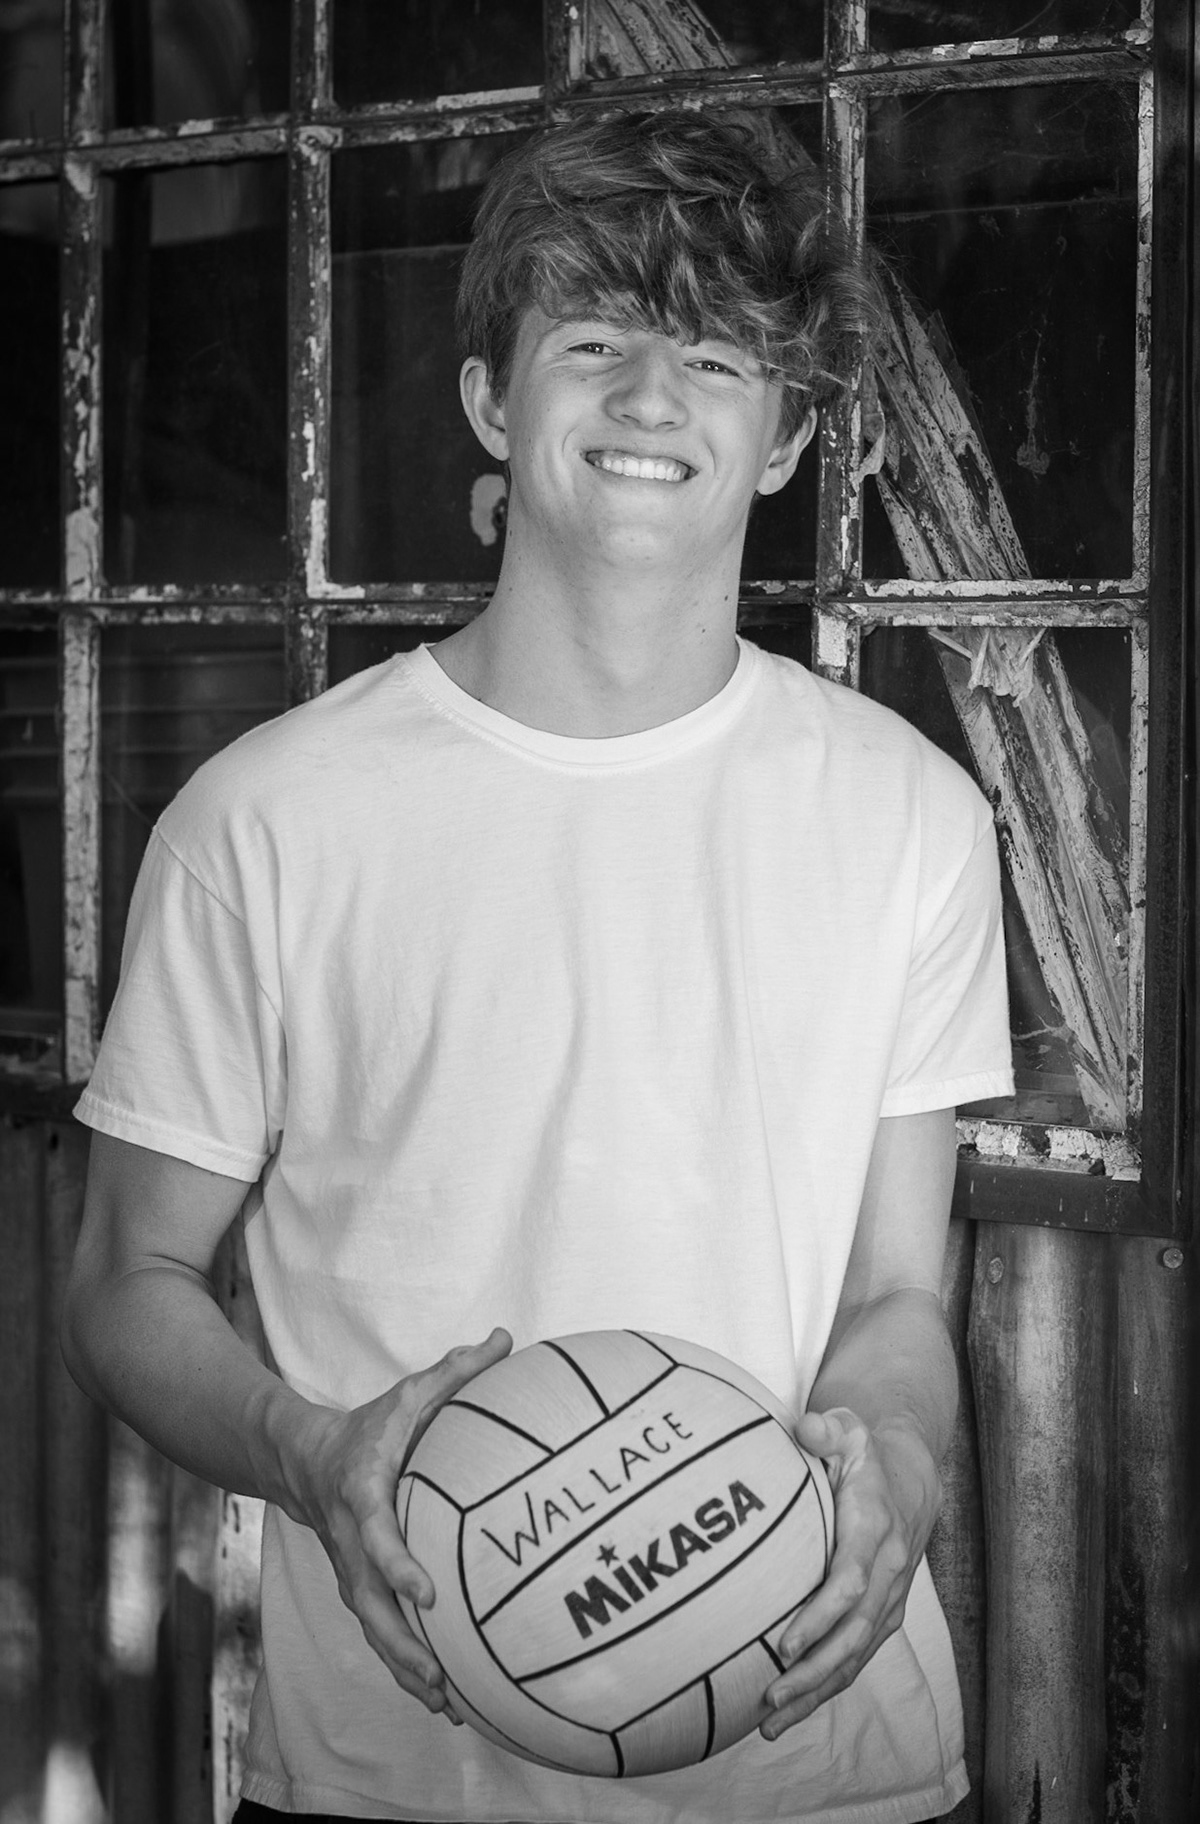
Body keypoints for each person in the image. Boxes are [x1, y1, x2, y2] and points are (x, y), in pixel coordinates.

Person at [62, 110, 1013, 1824]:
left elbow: (891, 1298)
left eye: (716, 359)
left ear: (789, 436)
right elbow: (125, 1282)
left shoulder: (913, 819)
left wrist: (902, 1466)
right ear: (493, 400)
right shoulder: (265, 821)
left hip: (824, 1763)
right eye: (594, 344)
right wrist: (312, 1454)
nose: (653, 399)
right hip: (392, 1770)